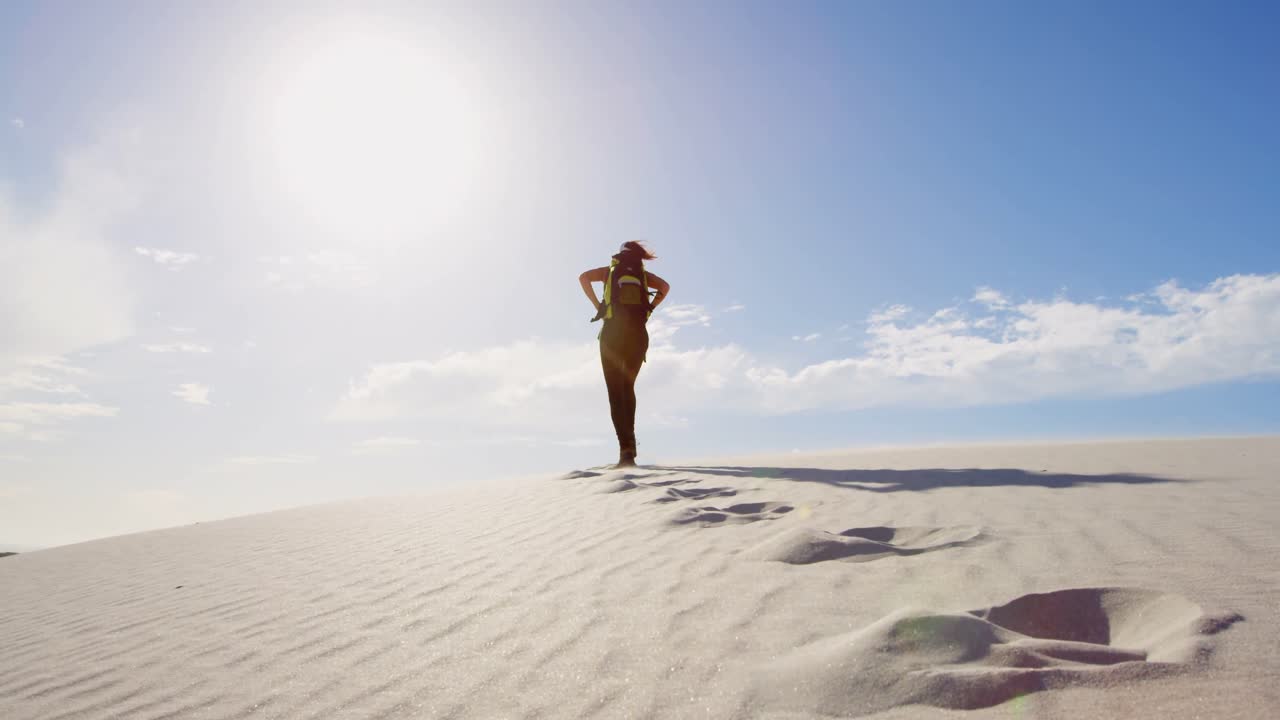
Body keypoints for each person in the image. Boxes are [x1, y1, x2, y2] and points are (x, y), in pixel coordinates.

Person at [579, 241, 670, 467]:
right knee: (627, 388)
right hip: (638, 335)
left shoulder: (609, 272)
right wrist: (650, 307)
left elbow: (583, 277)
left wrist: (598, 305)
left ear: (619, 256)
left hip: (612, 334)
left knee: (615, 392)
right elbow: (665, 287)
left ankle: (625, 452)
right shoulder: (643, 276)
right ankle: (629, 449)